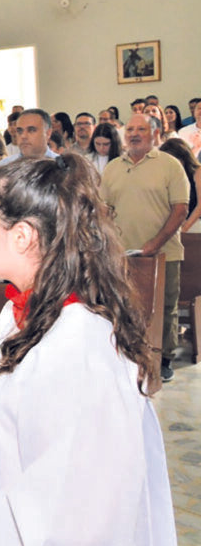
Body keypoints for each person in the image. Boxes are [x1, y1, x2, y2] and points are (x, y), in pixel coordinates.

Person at [0, 154, 180, 546]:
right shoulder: (18, 311)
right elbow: (32, 425)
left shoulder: (80, 344)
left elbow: (81, 508)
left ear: (23, 236)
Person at [101, 113, 189, 383]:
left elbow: (180, 209)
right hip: (123, 254)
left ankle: (163, 359)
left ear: (154, 134)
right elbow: (104, 209)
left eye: (141, 129)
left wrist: (155, 243)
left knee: (164, 308)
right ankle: (130, 357)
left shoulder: (170, 165)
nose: (134, 134)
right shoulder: (113, 167)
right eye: (130, 129)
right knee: (125, 307)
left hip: (163, 253)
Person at [159, 138, 201, 234]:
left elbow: (200, 207)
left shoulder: (198, 172)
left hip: (195, 223)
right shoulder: (166, 176)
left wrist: (185, 228)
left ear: (183, 158)